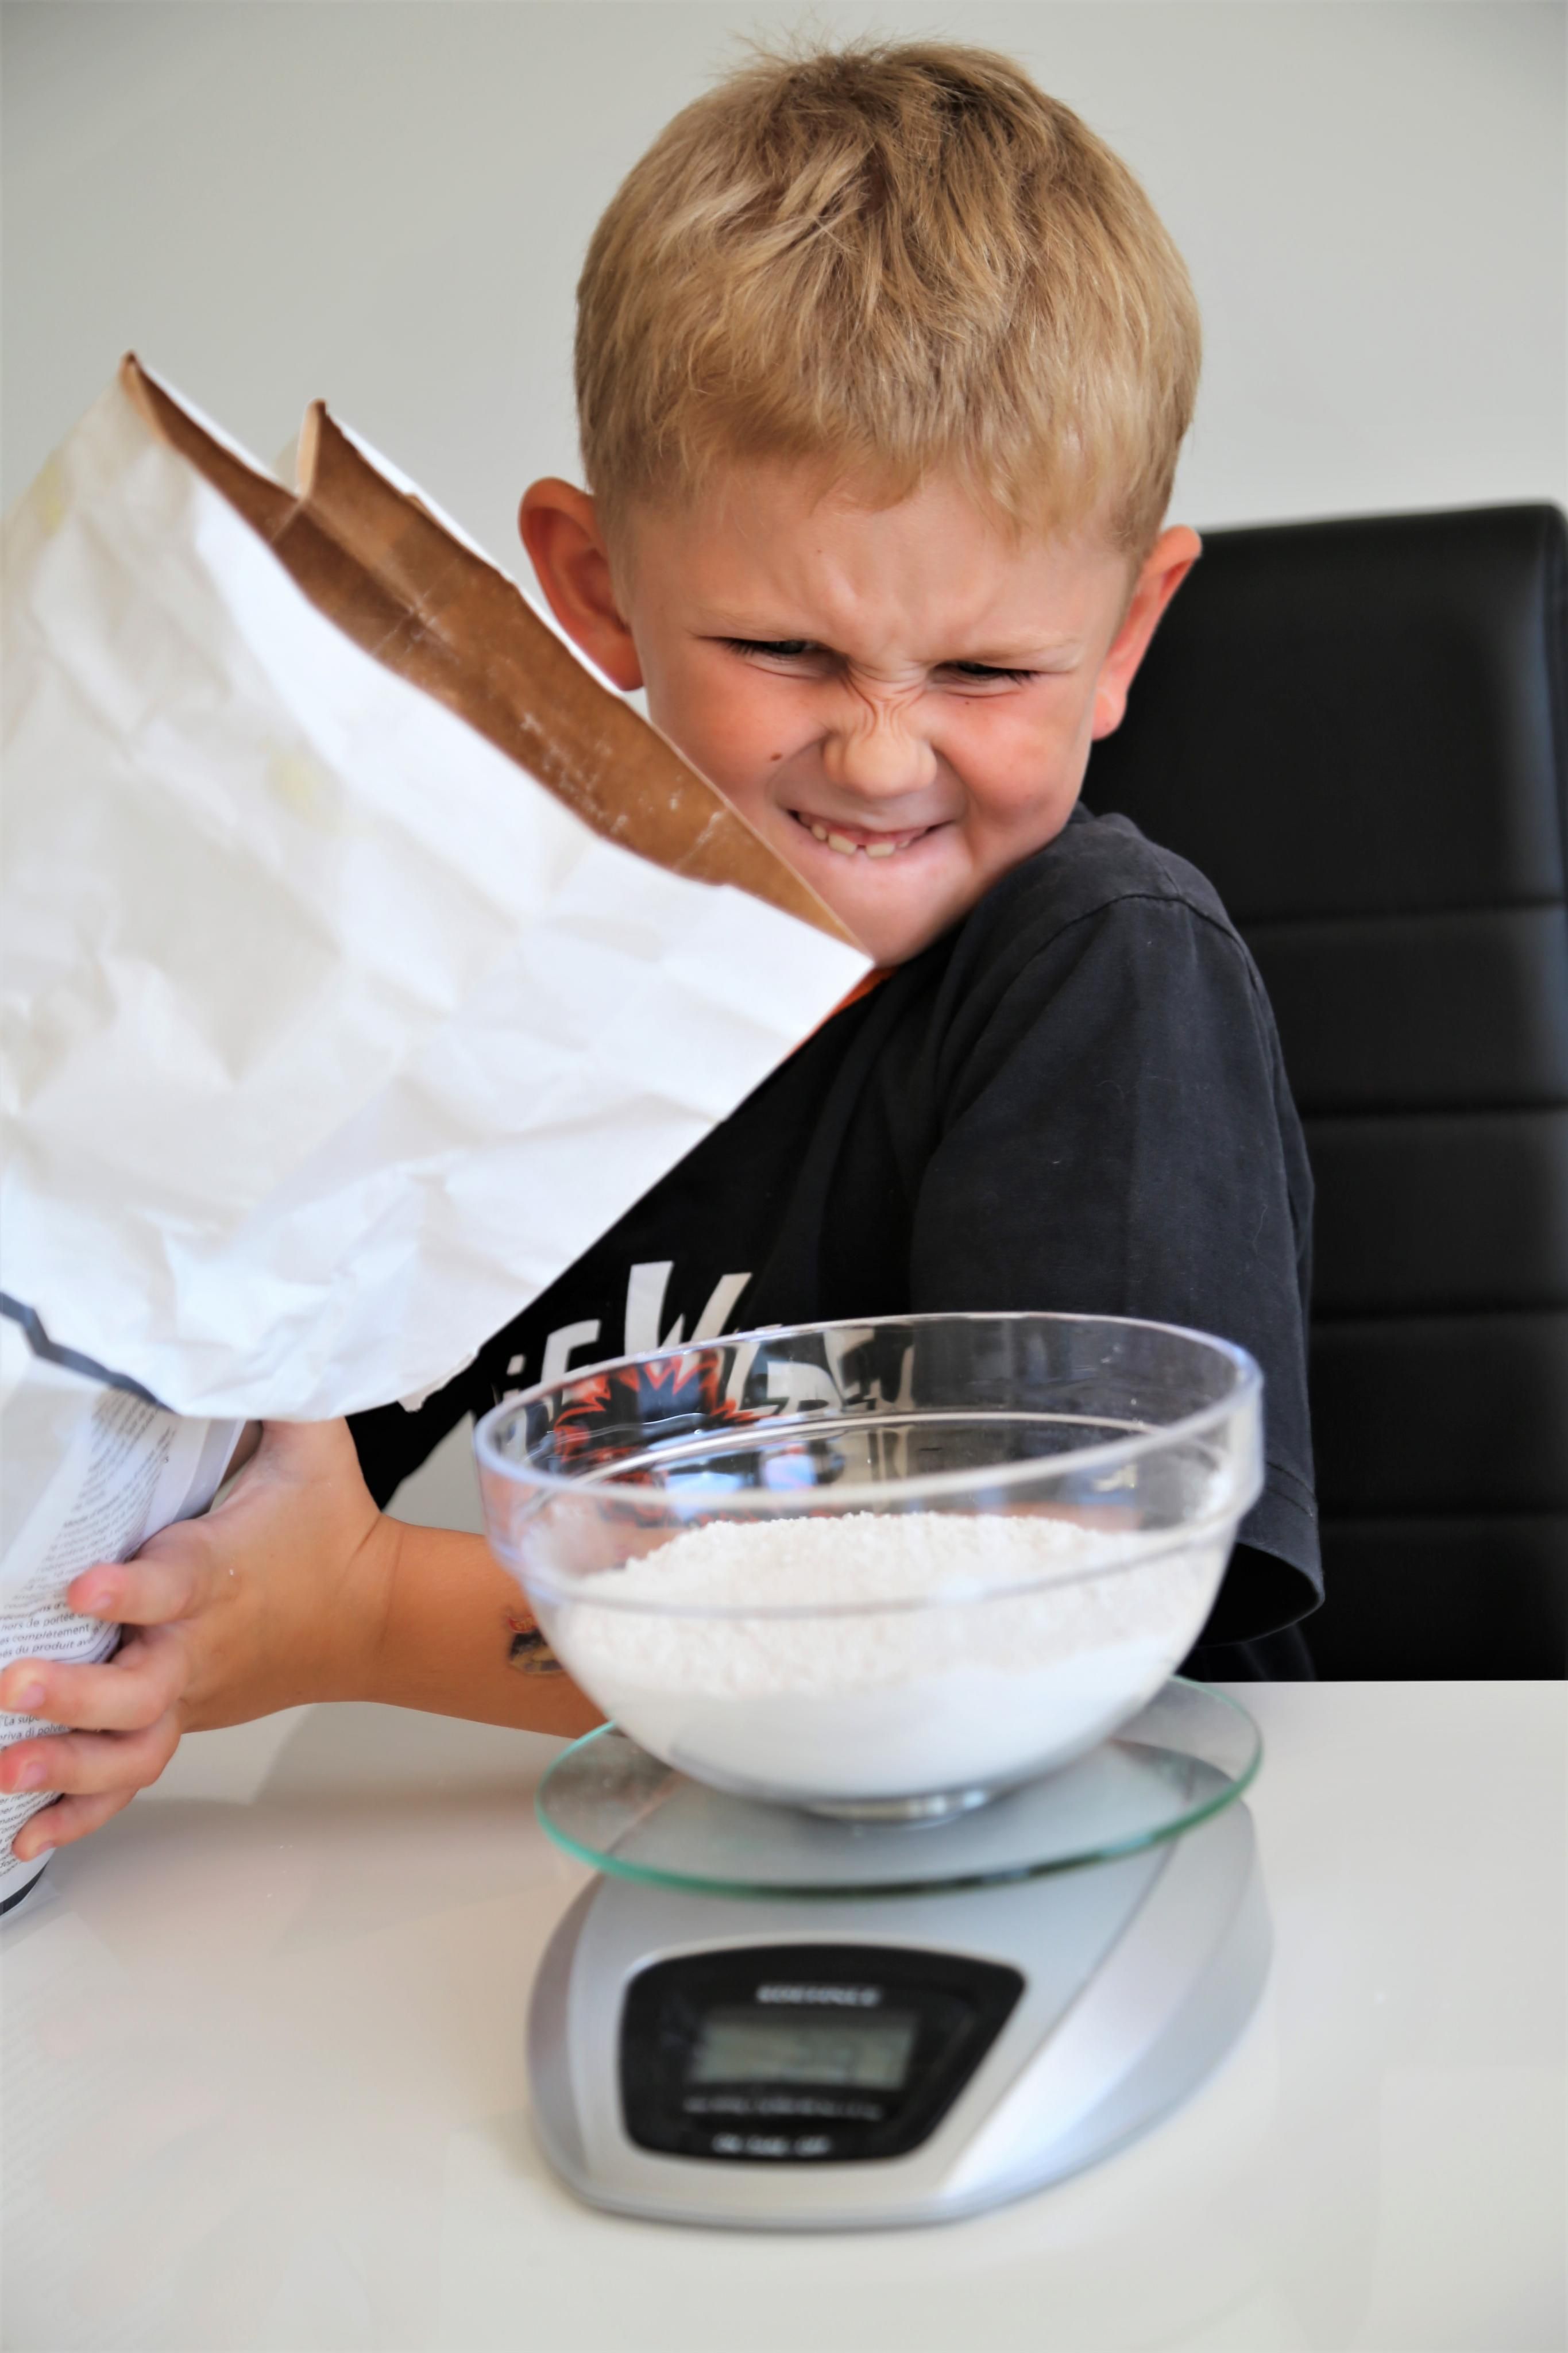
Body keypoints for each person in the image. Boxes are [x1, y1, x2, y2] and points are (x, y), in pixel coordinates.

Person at [0, 40, 1318, 1869]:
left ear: (1125, 636)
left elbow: (1023, 1614)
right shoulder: (546, 991)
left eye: (985, 672)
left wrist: (364, 1615)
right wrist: (165, 1611)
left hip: (1089, 1870)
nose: (880, 755)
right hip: (653, 1862)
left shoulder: (1105, 976)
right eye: (785, 651)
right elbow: (281, 1454)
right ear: (596, 588)